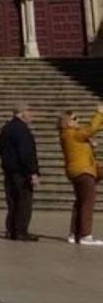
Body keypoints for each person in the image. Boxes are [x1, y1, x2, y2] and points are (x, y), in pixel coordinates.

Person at [58, 105, 103, 245]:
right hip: (83, 171)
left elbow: (90, 131)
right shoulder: (72, 133)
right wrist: (99, 114)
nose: (78, 120)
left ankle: (74, 233)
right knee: (87, 203)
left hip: (78, 171)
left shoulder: (69, 134)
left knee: (80, 202)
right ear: (67, 122)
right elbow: (90, 129)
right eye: (75, 118)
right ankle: (85, 235)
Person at [0, 103, 40, 241]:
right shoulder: (22, 130)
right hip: (21, 172)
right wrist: (32, 172)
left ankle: (11, 230)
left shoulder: (6, 128)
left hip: (9, 171)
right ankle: (21, 231)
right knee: (24, 201)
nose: (31, 115)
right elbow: (26, 153)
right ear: (21, 113)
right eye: (29, 111)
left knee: (12, 201)